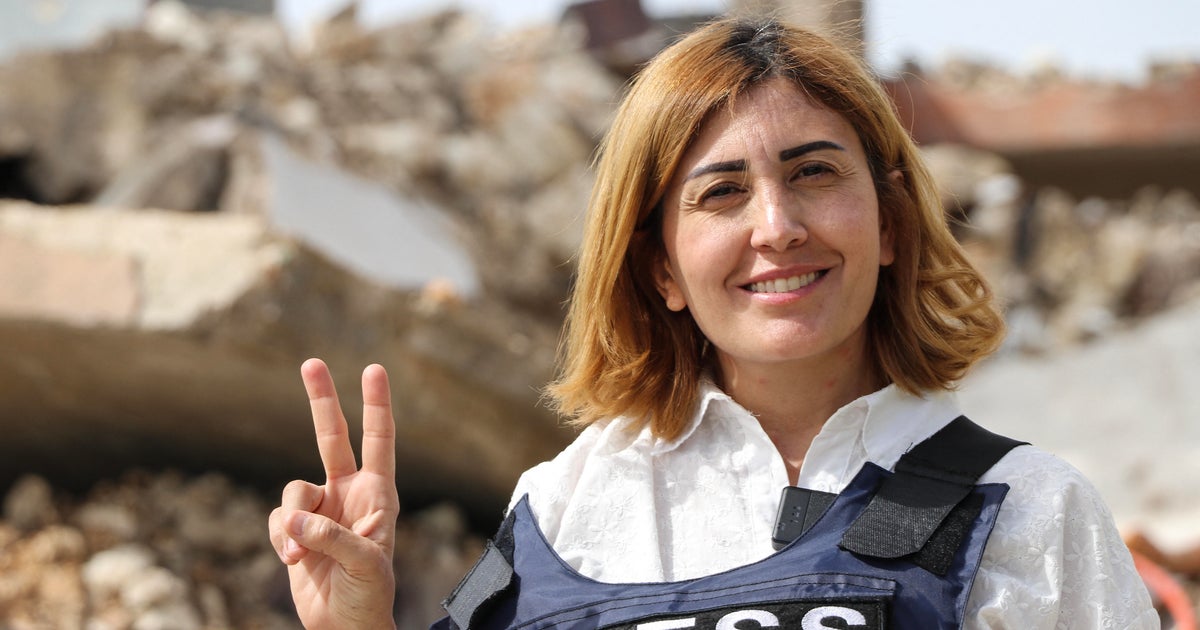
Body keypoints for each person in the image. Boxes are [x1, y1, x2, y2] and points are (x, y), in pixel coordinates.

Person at [268, 16, 1158, 630]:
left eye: (814, 173)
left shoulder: (1030, 511)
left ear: (890, 223)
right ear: (661, 268)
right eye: (722, 192)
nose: (777, 227)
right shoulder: (566, 508)